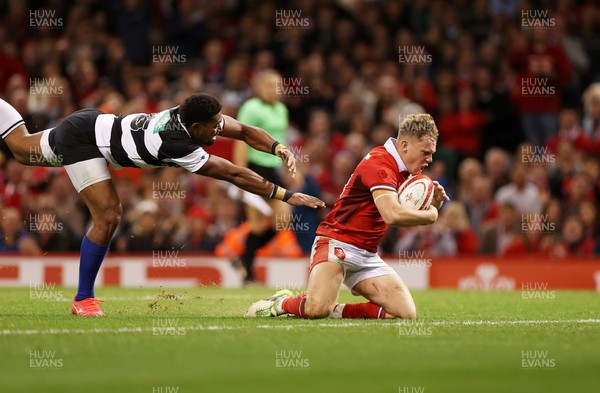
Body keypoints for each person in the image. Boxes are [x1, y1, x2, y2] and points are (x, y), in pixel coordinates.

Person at [0, 93, 325, 316]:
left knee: (18, 147)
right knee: (109, 214)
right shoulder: (176, 141)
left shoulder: (196, 118)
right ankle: (83, 299)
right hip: (85, 139)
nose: (218, 129)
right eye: (213, 127)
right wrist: (285, 195)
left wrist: (278, 147)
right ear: (196, 128)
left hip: (93, 126)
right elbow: (232, 173)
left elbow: (243, 130)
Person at [245, 114, 449, 319]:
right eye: (426, 152)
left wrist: (434, 202)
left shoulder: (407, 171)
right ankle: (281, 303)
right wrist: (432, 214)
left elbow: (407, 209)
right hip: (336, 242)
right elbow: (392, 214)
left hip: (367, 253)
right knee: (316, 310)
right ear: (404, 145)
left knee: (404, 313)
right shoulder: (380, 164)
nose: (430, 159)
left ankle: (335, 310)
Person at [232, 70, 291, 283]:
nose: (275, 90)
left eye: (278, 86)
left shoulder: (282, 109)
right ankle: (247, 271)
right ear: (258, 87)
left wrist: (291, 166)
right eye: (269, 85)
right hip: (254, 167)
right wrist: (239, 175)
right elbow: (240, 139)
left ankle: (242, 259)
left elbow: (281, 140)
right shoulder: (251, 108)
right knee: (256, 224)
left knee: (283, 221)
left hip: (273, 169)